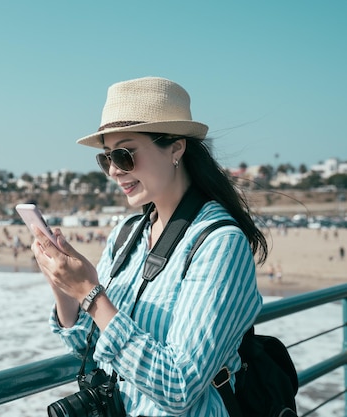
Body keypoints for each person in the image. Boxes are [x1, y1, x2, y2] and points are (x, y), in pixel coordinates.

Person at [30, 76, 268, 416]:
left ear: (176, 148)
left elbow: (179, 386)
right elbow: (95, 346)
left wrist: (90, 293)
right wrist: (64, 287)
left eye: (125, 155)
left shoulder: (219, 243)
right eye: (106, 158)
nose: (113, 170)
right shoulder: (127, 234)